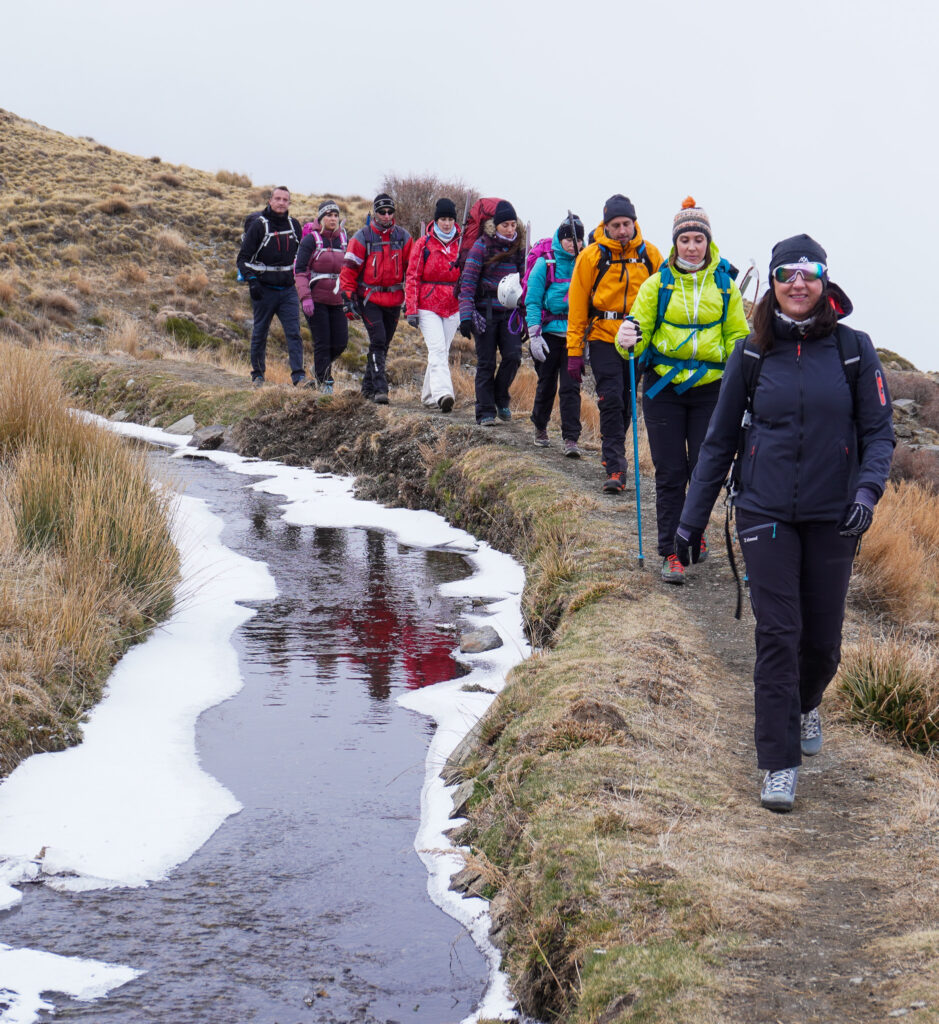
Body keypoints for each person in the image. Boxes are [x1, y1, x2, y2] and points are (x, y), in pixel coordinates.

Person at [675, 234, 895, 812]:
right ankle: (778, 763)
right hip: (764, 511)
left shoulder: (854, 350)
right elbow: (720, 441)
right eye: (785, 274)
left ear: (825, 282)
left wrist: (867, 493)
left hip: (835, 515)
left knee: (822, 643)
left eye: (809, 273)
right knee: (778, 634)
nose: (798, 283)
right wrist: (691, 522)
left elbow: (879, 434)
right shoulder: (751, 353)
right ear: (772, 285)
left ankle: (807, 701)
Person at [617, 198, 749, 583]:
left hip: (711, 393)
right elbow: (636, 337)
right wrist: (627, 338)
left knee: (702, 470)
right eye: (685, 239)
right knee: (671, 472)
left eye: (698, 239)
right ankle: (670, 552)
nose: (692, 246)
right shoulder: (657, 285)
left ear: (708, 242)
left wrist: (742, 371)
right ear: (675, 243)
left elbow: (738, 339)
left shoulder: (726, 287)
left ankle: (693, 531)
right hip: (663, 391)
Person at [565, 195, 664, 491]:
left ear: (634, 223)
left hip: (637, 339)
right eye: (616, 225)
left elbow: (663, 300)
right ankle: (617, 467)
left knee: (627, 402)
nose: (622, 230)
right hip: (603, 336)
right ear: (605, 226)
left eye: (626, 224)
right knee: (611, 398)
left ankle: (612, 455)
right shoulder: (591, 257)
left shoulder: (652, 256)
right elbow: (578, 306)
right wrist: (574, 351)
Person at [458, 200, 527, 426]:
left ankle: (500, 397)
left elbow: (525, 285)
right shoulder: (481, 246)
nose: (510, 229)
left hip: (510, 315)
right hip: (484, 312)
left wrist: (526, 317)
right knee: (486, 363)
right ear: (495, 225)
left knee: (513, 357)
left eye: (512, 225)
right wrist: (466, 316)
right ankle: (485, 411)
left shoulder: (519, 249)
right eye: (505, 225)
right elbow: (468, 282)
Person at [339, 193, 412, 404]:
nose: (387, 215)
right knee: (378, 340)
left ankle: (366, 389)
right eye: (382, 211)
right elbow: (349, 270)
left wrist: (412, 299)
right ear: (374, 212)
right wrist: (348, 299)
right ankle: (381, 389)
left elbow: (413, 270)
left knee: (383, 345)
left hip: (394, 299)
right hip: (369, 298)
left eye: (390, 211)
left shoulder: (404, 237)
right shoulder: (362, 237)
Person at [236, 186, 308, 387]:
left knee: (294, 332)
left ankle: (299, 378)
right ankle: (258, 375)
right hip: (263, 289)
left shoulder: (294, 225)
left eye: (285, 199)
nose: (281, 202)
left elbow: (302, 256)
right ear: (270, 201)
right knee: (260, 331)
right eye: (277, 198)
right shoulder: (259, 226)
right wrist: (252, 282)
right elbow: (242, 259)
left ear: (289, 203)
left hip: (287, 290)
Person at [526, 215, 585, 457]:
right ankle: (540, 426)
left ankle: (571, 439)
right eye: (569, 238)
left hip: (574, 335)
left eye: (578, 239)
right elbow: (532, 300)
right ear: (560, 239)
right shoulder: (545, 263)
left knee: (571, 388)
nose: (573, 243)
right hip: (548, 334)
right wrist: (534, 334)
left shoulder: (586, 264)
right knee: (547, 384)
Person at [404, 197, 461, 413]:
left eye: (450, 219)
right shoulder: (424, 244)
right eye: (443, 219)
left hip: (453, 306)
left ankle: (428, 396)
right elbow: (412, 277)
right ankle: (443, 394)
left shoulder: (462, 245)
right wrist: (411, 309)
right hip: (427, 305)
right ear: (435, 220)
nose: (446, 223)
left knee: (441, 351)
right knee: (436, 348)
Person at [294, 199, 348, 394]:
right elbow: (300, 270)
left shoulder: (344, 240)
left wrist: (351, 297)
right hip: (315, 300)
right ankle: (325, 382)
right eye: (328, 215)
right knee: (322, 342)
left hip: (338, 300)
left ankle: (318, 368)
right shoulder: (311, 240)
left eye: (335, 215)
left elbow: (350, 270)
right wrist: (305, 297)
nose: (333, 219)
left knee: (341, 342)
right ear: (321, 218)